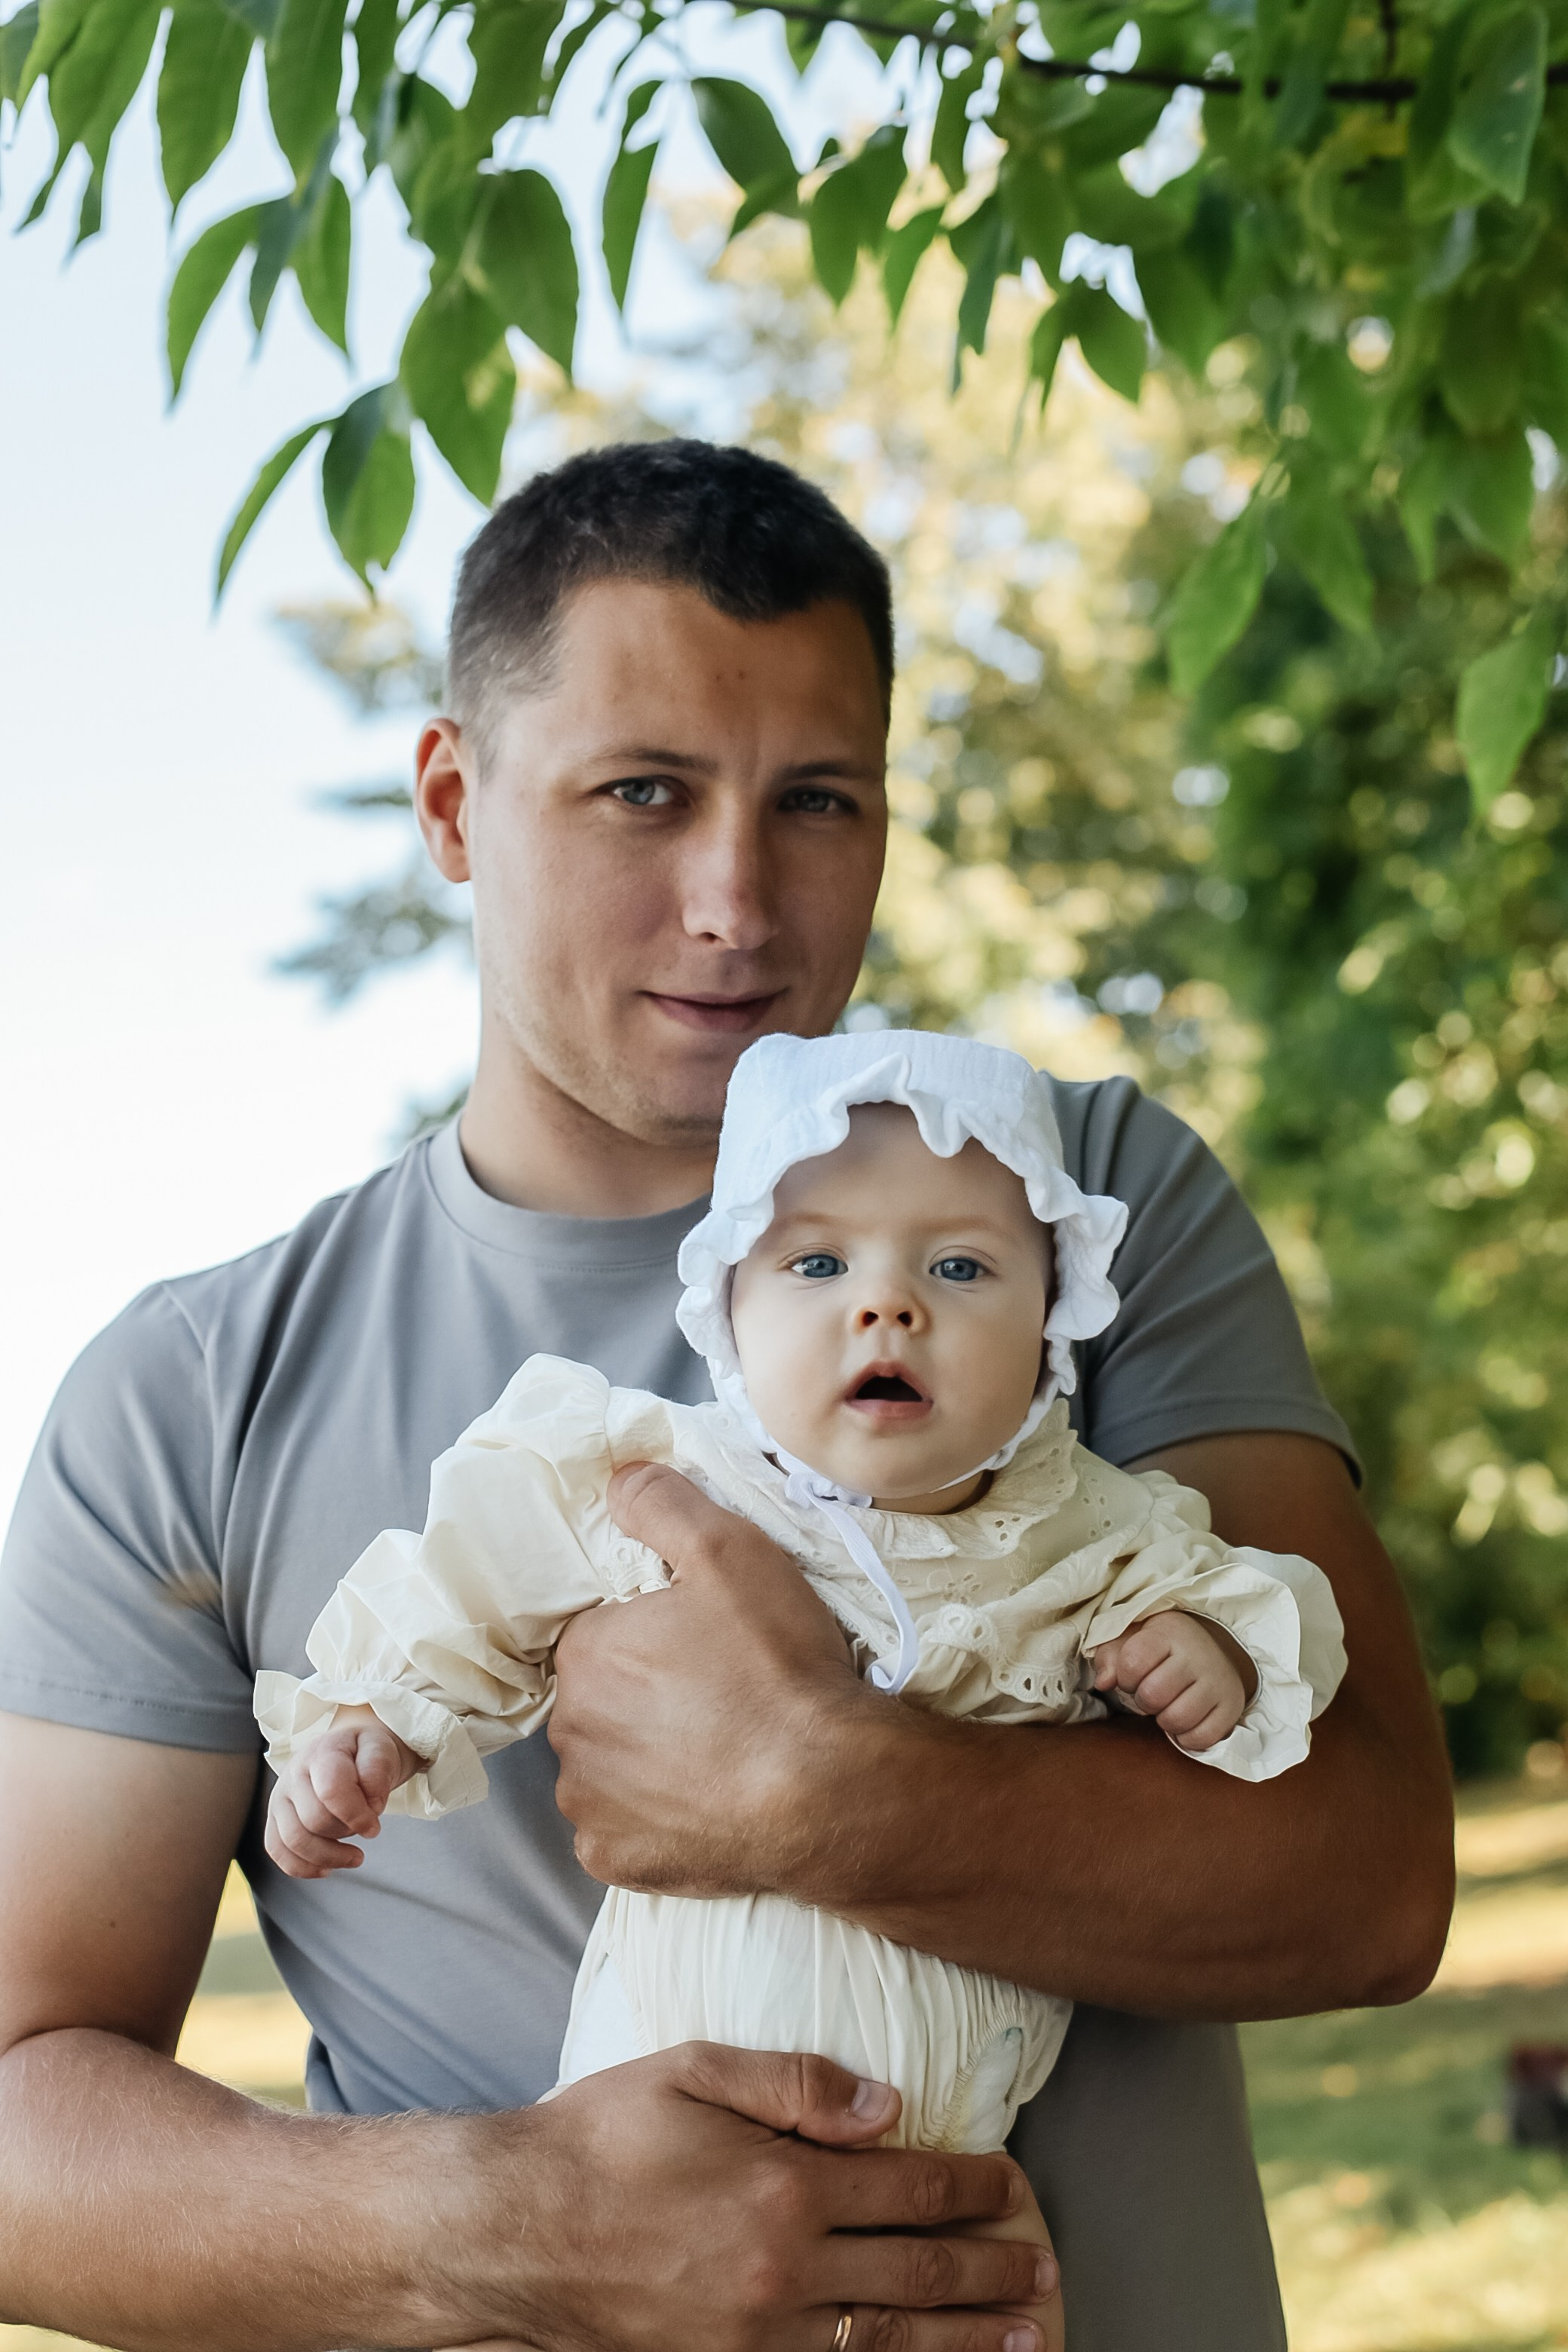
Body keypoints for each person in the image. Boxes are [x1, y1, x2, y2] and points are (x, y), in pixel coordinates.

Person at [0, 439, 1453, 2352]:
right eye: (640, 794)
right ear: (451, 800)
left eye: (818, 801)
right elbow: (24, 2106)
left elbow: (1368, 1887)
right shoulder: (194, 1390)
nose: (735, 904)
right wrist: (506, 2228)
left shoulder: (1075, 1206)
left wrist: (819, 1790)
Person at [256, 1033, 1350, 2352]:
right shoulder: (670, 1481)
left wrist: (1206, 1658)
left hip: (947, 2161)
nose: (886, 1307)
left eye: (959, 1267)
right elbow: (471, 1584)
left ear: (1053, 1320)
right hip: (665, 2113)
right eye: (817, 1265)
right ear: (729, 1308)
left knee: (968, 2310)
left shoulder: (1086, 1529)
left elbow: (1255, 1607)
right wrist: (367, 1724)